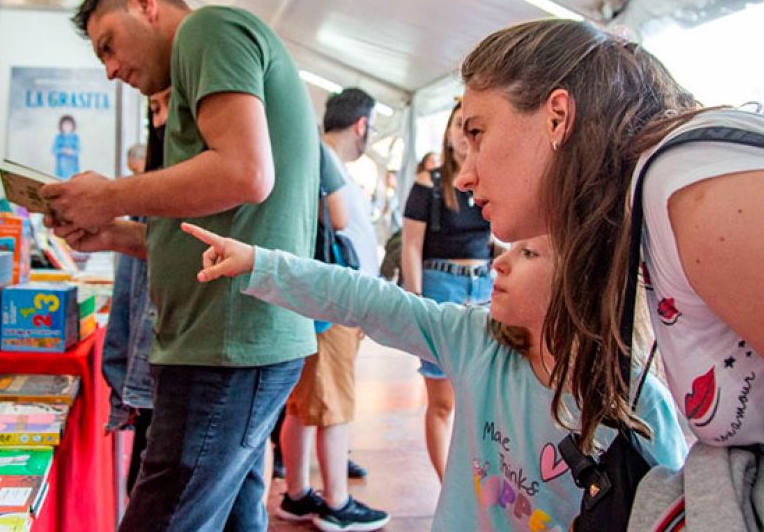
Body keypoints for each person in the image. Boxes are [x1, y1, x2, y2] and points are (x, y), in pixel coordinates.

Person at [453, 19, 764, 529]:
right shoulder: (657, 206)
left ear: (557, 116)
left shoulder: (700, 195)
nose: (465, 175)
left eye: (477, 133)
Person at [43, 0, 319, 532]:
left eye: (108, 46)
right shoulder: (202, 60)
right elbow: (220, 230)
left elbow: (246, 173)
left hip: (225, 344)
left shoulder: (208, 30)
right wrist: (117, 233)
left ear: (144, 3)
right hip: (235, 339)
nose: (111, 69)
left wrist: (110, 196)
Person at [181, 224, 687, 531]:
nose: (499, 261)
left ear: (585, 281)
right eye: (508, 248)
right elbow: (368, 300)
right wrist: (260, 265)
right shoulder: (476, 340)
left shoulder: (638, 407)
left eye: (527, 253)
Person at [277, 88, 389, 531]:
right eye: (372, 128)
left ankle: (299, 494)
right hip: (332, 302)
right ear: (361, 124)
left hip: (323, 300)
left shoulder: (318, 159)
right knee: (333, 404)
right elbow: (340, 223)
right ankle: (335, 503)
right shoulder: (325, 161)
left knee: (306, 405)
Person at [402, 102, 492, 480]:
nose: (463, 133)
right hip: (441, 285)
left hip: (486, 287)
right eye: (458, 125)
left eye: (471, 127)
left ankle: (479, 489)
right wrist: (416, 302)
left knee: (482, 399)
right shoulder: (431, 183)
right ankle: (447, 488)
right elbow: (410, 245)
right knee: (442, 401)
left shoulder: (490, 179)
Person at [103, 88, 169, 497]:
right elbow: (131, 295)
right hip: (156, 377)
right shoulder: (152, 193)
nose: (160, 121)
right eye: (155, 109)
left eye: (165, 107)